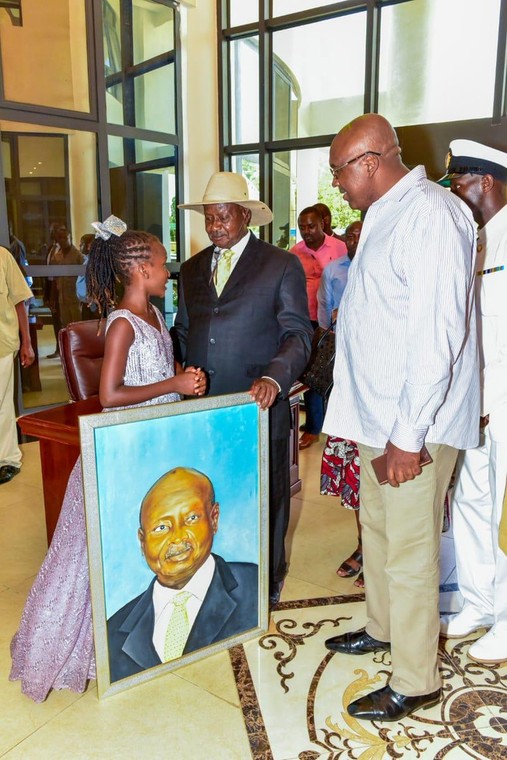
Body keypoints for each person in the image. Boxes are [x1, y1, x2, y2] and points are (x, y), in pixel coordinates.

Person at [9, 216, 206, 702]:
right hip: (123, 445)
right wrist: (173, 386)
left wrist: (182, 376)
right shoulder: (121, 324)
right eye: (162, 265)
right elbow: (111, 394)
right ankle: (68, 648)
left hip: (153, 444)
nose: (167, 272)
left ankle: (135, 642)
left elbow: (160, 369)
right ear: (140, 271)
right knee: (88, 555)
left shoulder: (157, 317)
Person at [322, 114, 478, 722]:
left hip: (414, 427)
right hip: (376, 420)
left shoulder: (431, 215)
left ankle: (416, 681)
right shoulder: (385, 215)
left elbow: (437, 336)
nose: (335, 182)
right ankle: (383, 628)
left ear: (368, 161)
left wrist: (407, 438)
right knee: (381, 537)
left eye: (338, 170)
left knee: (411, 552)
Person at [174, 172, 312, 606]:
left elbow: (298, 333)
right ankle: (219, 570)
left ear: (245, 215)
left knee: (265, 491)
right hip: (203, 405)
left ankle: (269, 576)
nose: (215, 225)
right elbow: (183, 330)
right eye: (209, 217)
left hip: (258, 402)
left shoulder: (279, 264)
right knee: (211, 489)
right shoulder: (192, 268)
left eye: (222, 216)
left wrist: (274, 376)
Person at [438, 140, 507, 665]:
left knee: (503, 513)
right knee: (472, 501)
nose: (454, 193)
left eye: (458, 183)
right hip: (477, 401)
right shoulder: (476, 240)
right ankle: (482, 602)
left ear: (485, 181)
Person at [107, 467, 258, 682]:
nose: (177, 539)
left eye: (191, 518)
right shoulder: (114, 630)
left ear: (214, 518)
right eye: (161, 528)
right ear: (142, 541)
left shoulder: (254, 587)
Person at [318, 220, 363, 586]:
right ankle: (365, 547)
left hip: (390, 398)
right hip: (349, 386)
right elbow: (325, 319)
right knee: (359, 480)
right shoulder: (337, 272)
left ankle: (383, 552)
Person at [290, 206, 346, 450]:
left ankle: (336, 426)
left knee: (337, 375)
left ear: (322, 224)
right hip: (306, 321)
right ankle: (313, 426)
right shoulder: (294, 253)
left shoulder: (340, 248)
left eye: (311, 226)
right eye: (302, 227)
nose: (307, 232)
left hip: (337, 324)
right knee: (311, 375)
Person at [0, 247, 35, 485]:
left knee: (2, 406)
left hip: (2, 344)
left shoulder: (3, 257)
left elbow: (19, 301)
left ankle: (7, 460)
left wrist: (27, 342)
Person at [51, 225, 85, 327]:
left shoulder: (78, 255)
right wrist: (52, 297)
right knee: (66, 326)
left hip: (75, 298)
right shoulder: (57, 257)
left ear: (70, 238)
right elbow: (54, 277)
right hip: (62, 298)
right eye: (60, 238)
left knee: (77, 325)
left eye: (65, 238)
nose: (63, 240)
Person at [76, 233, 98, 320]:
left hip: (93, 306)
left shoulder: (93, 262)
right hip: (86, 303)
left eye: (82, 243)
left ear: (89, 245)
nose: (80, 246)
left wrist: (93, 305)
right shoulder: (87, 260)